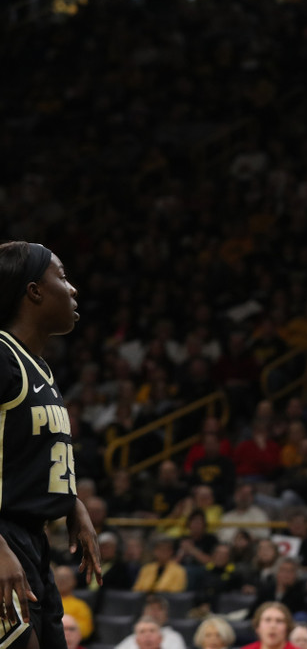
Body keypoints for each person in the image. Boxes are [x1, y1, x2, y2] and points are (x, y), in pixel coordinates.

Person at [0, 241, 102, 649]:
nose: (73, 289)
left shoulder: (37, 364)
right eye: (61, 277)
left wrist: (70, 501)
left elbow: (22, 453)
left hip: (32, 540)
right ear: (34, 291)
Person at [115, 595, 186, 649]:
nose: (154, 613)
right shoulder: (132, 637)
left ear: (160, 638)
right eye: (151, 608)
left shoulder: (174, 637)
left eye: (159, 609)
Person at [55, 565, 93, 641]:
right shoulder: (46, 603)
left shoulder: (80, 606)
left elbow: (86, 630)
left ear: (74, 581)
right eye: (59, 578)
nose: (62, 581)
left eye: (66, 578)